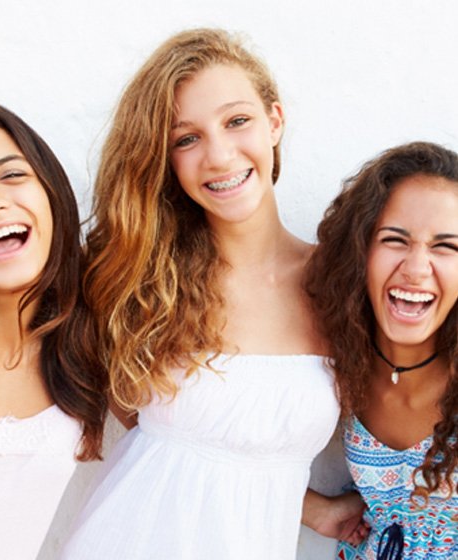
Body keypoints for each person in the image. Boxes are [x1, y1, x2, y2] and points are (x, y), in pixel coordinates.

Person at [60, 28, 365, 560]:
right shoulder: (149, 282)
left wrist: (315, 507)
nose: (220, 156)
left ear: (274, 121)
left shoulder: (340, 285)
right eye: (186, 138)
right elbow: (177, 453)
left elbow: (248, 454)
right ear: (166, 159)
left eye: (237, 121)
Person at [0, 99, 107, 560]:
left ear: (51, 193)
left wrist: (316, 509)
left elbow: (191, 436)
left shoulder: (88, 340)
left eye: (12, 175)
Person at [305, 141, 458, 559]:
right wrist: (315, 509)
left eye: (446, 247)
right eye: (394, 239)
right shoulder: (337, 357)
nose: (415, 268)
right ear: (360, 251)